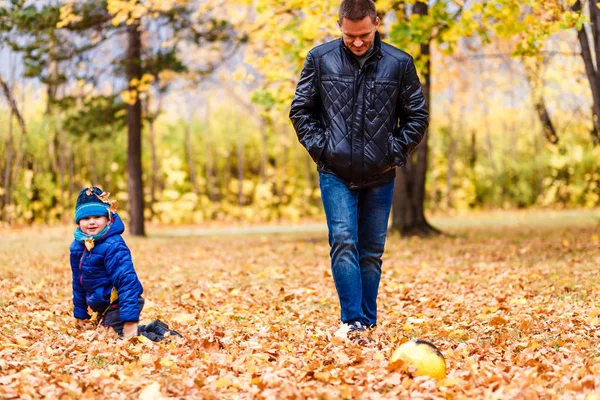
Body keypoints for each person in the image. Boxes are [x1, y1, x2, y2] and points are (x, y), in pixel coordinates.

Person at [289, 0, 429, 343]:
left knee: (371, 251)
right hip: (335, 171)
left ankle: (366, 323)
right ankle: (352, 322)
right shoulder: (319, 59)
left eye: (364, 35)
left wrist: (392, 152)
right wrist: (323, 149)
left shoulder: (399, 63)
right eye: (350, 35)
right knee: (343, 242)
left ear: (376, 23)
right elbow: (300, 111)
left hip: (380, 174)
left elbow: (417, 117)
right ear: (340, 26)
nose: (357, 42)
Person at [70, 186, 181, 341]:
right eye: (86, 218)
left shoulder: (113, 245)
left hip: (121, 301)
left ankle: (167, 338)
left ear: (108, 218)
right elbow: (78, 282)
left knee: (119, 337)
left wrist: (130, 320)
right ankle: (155, 328)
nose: (92, 222)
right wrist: (81, 314)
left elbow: (127, 282)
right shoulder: (78, 247)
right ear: (78, 221)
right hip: (105, 305)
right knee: (107, 334)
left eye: (97, 216)